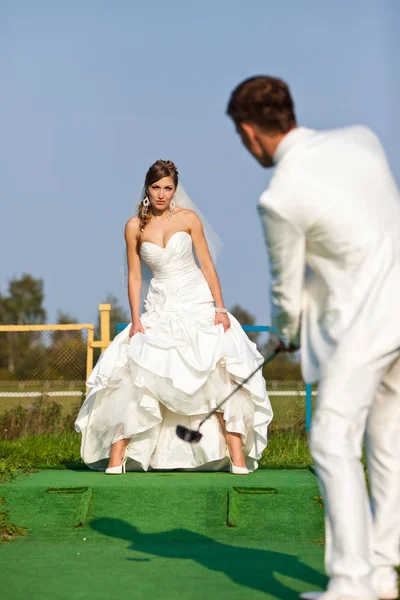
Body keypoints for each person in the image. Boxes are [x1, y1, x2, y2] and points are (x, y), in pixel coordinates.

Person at [227, 76, 400, 600]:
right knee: (389, 444)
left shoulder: (278, 198)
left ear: (250, 132)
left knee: (330, 438)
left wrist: (284, 335)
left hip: (363, 327)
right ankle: (384, 571)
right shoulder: (362, 139)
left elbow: (286, 290)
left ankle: (352, 583)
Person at [75, 159, 272, 475]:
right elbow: (135, 276)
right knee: (136, 370)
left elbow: (207, 265)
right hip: (160, 306)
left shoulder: (189, 219)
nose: (162, 194)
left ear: (175, 189)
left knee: (216, 370)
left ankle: (237, 461)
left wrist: (220, 309)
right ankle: (116, 461)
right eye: (156, 187)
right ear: (147, 188)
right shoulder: (133, 227)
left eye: (168, 188)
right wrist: (136, 319)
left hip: (197, 302)